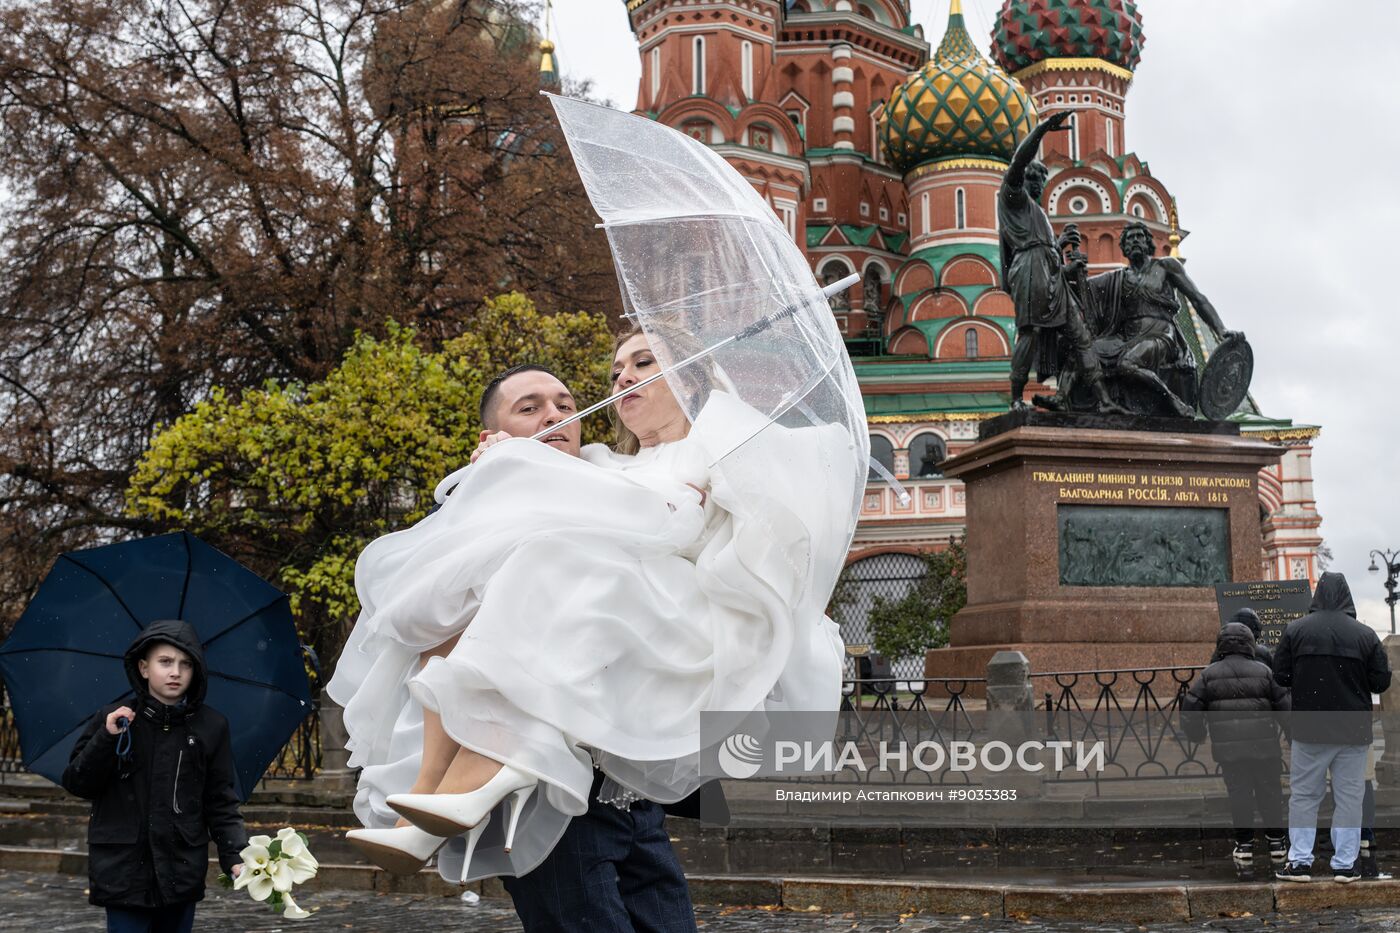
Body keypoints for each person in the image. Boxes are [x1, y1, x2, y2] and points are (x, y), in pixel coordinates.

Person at [329, 329, 849, 893]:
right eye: (616, 371)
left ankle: (492, 772)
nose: (623, 378)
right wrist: (496, 471)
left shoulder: (719, 447)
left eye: (644, 363)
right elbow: (517, 525)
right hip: (595, 659)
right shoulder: (603, 462)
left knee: (549, 562)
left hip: (677, 630)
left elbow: (737, 527)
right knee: (476, 604)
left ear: (691, 379)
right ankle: (436, 796)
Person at [62, 620, 247, 933]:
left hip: (181, 868)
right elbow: (79, 782)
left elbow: (219, 798)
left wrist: (235, 854)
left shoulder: (211, 727)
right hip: (123, 870)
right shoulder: (115, 719)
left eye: (186, 663)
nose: (176, 672)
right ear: (144, 668)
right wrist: (105, 739)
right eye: (165, 662)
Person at [998, 109, 1120, 414]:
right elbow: (1017, 162)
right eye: (1034, 178)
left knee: (1080, 334)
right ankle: (1015, 397)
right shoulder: (1013, 198)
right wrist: (1042, 130)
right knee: (1031, 332)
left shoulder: (1037, 212)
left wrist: (1062, 247)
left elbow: (1049, 254)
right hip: (1030, 270)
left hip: (1051, 275)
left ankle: (1103, 400)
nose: (1039, 184)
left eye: (1042, 180)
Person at [1273, 572, 1391, 883]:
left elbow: (1281, 676)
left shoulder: (1296, 630)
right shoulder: (1365, 635)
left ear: (1317, 596)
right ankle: (1345, 864)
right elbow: (1381, 681)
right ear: (1347, 597)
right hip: (1352, 730)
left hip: (1309, 728)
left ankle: (1299, 861)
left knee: (1303, 796)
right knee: (1349, 798)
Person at [1182, 622, 1289, 863]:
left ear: (1221, 645)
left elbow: (1190, 710)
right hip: (1264, 748)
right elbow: (1285, 708)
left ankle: (1244, 845)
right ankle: (1276, 842)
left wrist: (1197, 735)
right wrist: (1293, 737)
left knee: (1239, 795)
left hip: (1230, 751)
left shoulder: (1209, 674)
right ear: (1250, 644)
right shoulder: (1264, 672)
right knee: (1270, 793)